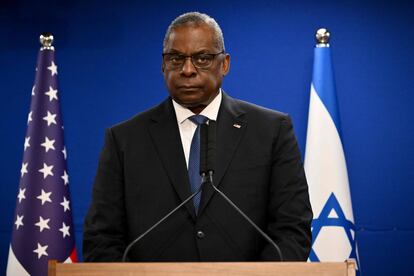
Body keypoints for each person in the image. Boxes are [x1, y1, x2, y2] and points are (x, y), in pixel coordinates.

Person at [83, 12, 312, 262]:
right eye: (176, 58)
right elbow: (102, 239)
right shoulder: (125, 140)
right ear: (163, 65)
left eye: (202, 58)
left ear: (224, 64)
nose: (188, 70)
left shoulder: (271, 131)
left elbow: (292, 231)